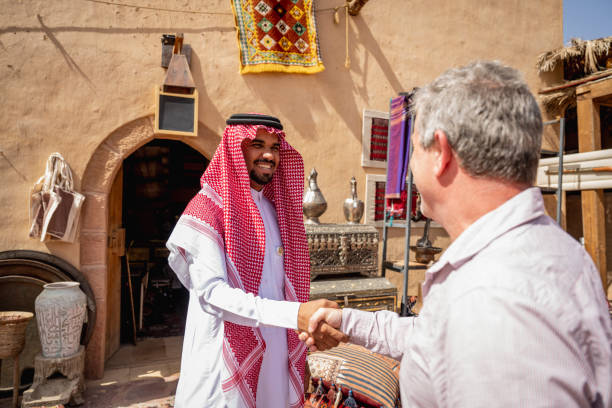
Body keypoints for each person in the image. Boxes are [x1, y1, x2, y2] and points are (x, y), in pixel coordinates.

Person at [302, 61, 612, 406]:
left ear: (441, 153)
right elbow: (438, 335)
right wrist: (350, 321)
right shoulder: (523, 256)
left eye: (415, 151)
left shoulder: (497, 299)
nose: (410, 168)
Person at [167, 114, 345, 408]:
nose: (268, 155)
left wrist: (303, 320)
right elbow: (213, 295)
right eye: (258, 145)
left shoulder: (276, 212)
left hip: (274, 359)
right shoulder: (208, 209)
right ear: (236, 149)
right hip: (224, 365)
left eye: (275, 147)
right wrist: (294, 314)